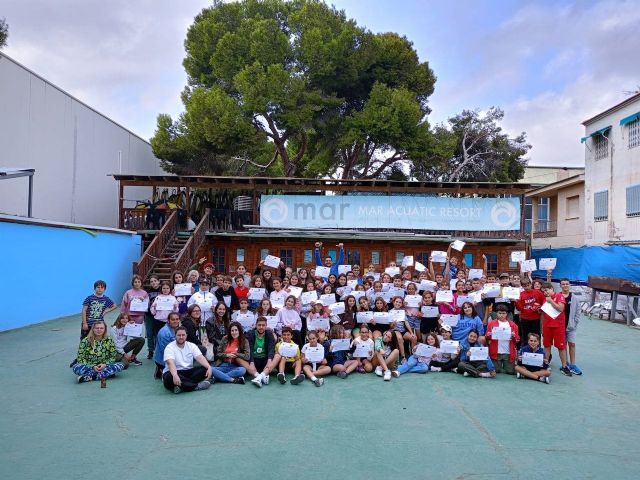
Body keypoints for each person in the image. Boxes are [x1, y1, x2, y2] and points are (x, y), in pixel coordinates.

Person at [72, 320, 125, 387]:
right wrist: (93, 366)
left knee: (120, 365)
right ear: (93, 329)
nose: (99, 330)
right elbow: (80, 357)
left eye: (101, 328)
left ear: (105, 329)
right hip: (89, 366)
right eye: (97, 328)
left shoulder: (109, 340)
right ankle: (105, 374)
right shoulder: (85, 341)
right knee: (75, 367)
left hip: (104, 366)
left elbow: (113, 356)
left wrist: (105, 364)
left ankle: (91, 377)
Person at [162, 326, 212, 394]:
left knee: (204, 369)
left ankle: (180, 386)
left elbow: (200, 357)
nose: (181, 337)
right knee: (169, 377)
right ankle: (195, 386)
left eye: (183, 335)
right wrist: (175, 375)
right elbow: (171, 363)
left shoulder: (191, 345)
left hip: (188, 372)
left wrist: (209, 367)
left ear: (186, 336)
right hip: (174, 371)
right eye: (179, 335)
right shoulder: (169, 347)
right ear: (175, 336)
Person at [541, 282, 572, 376]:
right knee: (546, 345)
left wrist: (551, 301)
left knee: (561, 346)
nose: (545, 293)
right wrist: (542, 327)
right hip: (547, 325)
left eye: (546, 290)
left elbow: (560, 308)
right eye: (543, 292)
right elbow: (543, 313)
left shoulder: (559, 296)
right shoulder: (545, 299)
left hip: (558, 326)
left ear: (551, 289)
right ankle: (546, 364)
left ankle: (564, 366)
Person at [485, 304, 519, 375]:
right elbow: (487, 338)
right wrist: (488, 335)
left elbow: (517, 340)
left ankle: (516, 366)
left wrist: (514, 336)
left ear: (507, 314)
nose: (501, 315)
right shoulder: (491, 323)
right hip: (496, 352)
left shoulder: (513, 325)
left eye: (503, 313)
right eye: (499, 313)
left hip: (508, 353)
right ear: (496, 313)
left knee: (510, 372)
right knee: (496, 370)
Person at [245, 316, 276, 387]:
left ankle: (260, 376)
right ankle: (259, 376)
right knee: (238, 358)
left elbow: (271, 348)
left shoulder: (269, 334)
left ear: (266, 326)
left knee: (277, 355)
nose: (261, 327)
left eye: (263, 325)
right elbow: (249, 349)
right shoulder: (250, 333)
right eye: (259, 325)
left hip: (265, 362)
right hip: (254, 361)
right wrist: (251, 362)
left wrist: (269, 359)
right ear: (256, 325)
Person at [560, 278, 583, 375]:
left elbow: (578, 311)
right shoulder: (557, 297)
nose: (565, 285)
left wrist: (575, 322)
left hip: (571, 326)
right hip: (560, 326)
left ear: (569, 285)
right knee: (563, 345)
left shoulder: (575, 298)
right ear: (560, 285)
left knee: (572, 344)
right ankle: (565, 364)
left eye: (567, 284)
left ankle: (573, 365)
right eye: (563, 284)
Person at [153, 312, 181, 380]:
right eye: (173, 319)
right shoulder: (164, 332)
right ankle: (160, 367)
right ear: (168, 320)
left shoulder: (179, 328)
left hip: (175, 353)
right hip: (164, 357)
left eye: (177, 319)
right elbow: (165, 350)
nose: (175, 321)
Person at [144, 275, 161, 359]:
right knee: (150, 334)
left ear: (159, 281)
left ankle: (159, 350)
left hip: (160, 316)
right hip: (149, 316)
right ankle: (150, 350)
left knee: (158, 334)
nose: (153, 283)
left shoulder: (163, 290)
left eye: (155, 280)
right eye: (151, 281)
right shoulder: (147, 292)